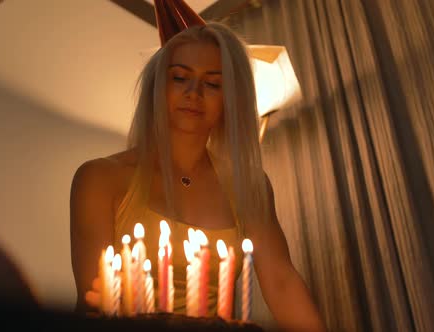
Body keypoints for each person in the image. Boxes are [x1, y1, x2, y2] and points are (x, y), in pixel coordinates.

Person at [69, 1, 326, 331]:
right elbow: (93, 297)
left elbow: (281, 282)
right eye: (180, 78)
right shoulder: (100, 178)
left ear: (231, 98)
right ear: (158, 86)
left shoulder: (249, 186)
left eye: (213, 83)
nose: (194, 93)